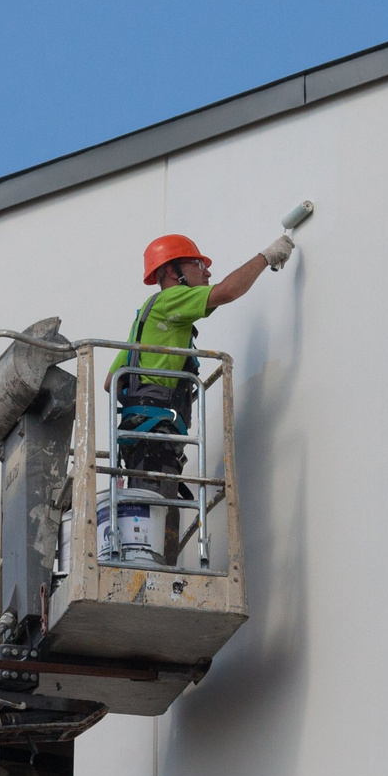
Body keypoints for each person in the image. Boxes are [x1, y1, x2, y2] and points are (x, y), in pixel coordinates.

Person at [110, 231, 293, 560]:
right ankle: (153, 575)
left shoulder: (146, 321)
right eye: (197, 264)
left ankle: (149, 568)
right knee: (155, 520)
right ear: (171, 272)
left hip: (141, 438)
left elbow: (112, 380)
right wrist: (267, 255)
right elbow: (227, 291)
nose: (206, 271)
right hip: (155, 436)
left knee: (156, 514)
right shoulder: (169, 300)